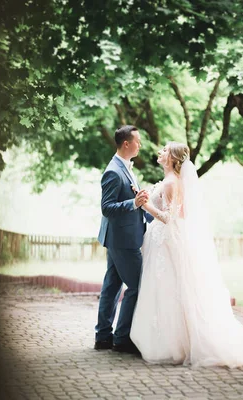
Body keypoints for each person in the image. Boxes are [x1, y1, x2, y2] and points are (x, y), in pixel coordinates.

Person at [130, 142, 243, 367]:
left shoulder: (171, 183)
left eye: (165, 151)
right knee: (170, 291)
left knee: (170, 291)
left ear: (172, 159)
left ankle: (180, 346)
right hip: (165, 241)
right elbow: (183, 212)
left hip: (166, 241)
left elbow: (170, 218)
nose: (160, 152)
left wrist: (146, 206)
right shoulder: (173, 181)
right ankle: (176, 344)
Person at [94, 125, 153, 354]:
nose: (140, 145)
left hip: (121, 237)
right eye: (137, 141)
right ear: (126, 144)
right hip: (122, 240)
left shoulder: (125, 167)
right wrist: (133, 203)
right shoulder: (113, 171)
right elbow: (107, 208)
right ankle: (121, 339)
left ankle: (103, 337)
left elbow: (133, 200)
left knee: (111, 287)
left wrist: (144, 207)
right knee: (138, 286)